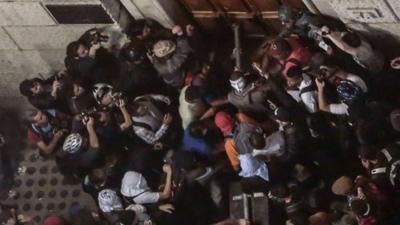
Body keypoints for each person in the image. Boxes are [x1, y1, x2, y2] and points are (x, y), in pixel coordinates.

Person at [318, 26, 385, 74]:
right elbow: (340, 35)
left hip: (376, 65)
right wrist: (327, 33)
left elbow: (345, 47)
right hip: (377, 56)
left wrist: (329, 34)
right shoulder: (354, 37)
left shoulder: (358, 51)